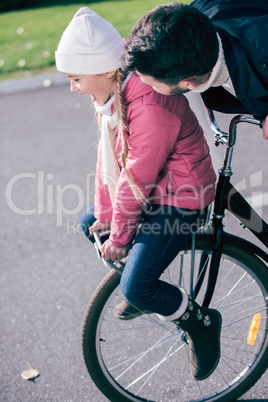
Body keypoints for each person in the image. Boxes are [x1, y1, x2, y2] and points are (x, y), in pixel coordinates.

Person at [55, 7, 221, 381]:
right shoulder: (114, 95)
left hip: (183, 196)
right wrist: (106, 215)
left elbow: (135, 177)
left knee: (135, 284)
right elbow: (109, 161)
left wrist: (120, 234)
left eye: (76, 78)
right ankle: (145, 284)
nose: (73, 88)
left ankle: (201, 323)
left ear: (104, 70)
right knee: (89, 223)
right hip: (156, 190)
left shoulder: (147, 104)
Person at [122, 0, 268, 139]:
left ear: (190, 84)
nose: (149, 87)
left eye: (152, 84)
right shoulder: (190, 19)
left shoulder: (261, 53)